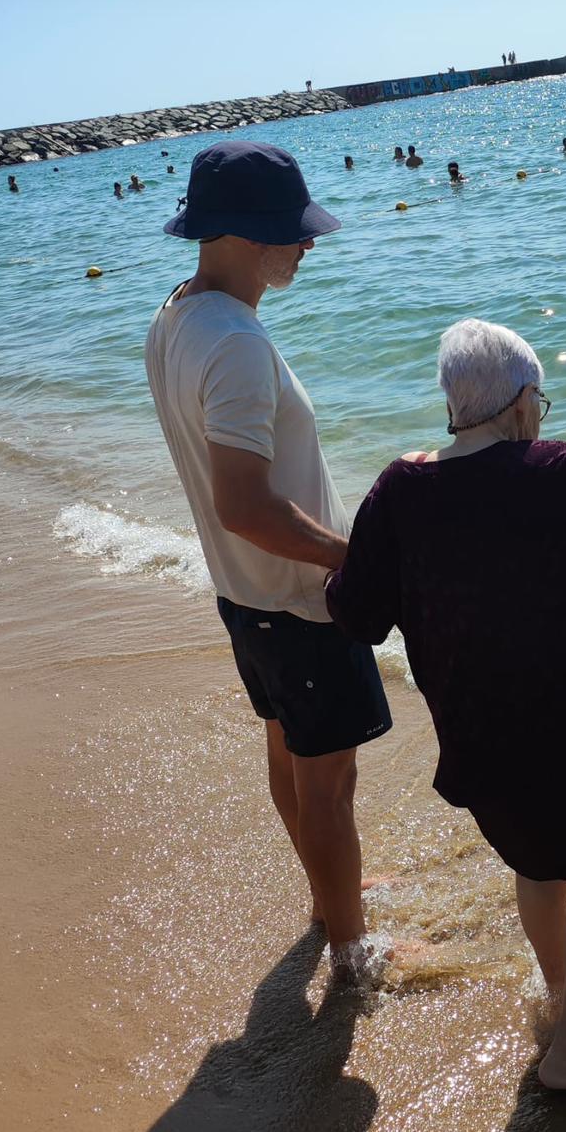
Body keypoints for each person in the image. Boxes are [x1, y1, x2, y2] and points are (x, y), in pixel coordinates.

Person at [326, 319, 566, 1090]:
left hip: (480, 743)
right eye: (540, 399)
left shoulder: (397, 488)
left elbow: (354, 616)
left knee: (541, 864)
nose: (541, 414)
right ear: (518, 405)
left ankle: (559, 998)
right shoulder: (560, 470)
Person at [145, 141, 395, 981]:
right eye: (297, 233)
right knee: (330, 787)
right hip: (297, 598)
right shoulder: (237, 344)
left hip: (241, 593)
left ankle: (335, 896)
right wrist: (359, 559)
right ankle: (352, 945)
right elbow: (246, 505)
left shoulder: (175, 314)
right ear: (255, 237)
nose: (308, 246)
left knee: (289, 750)